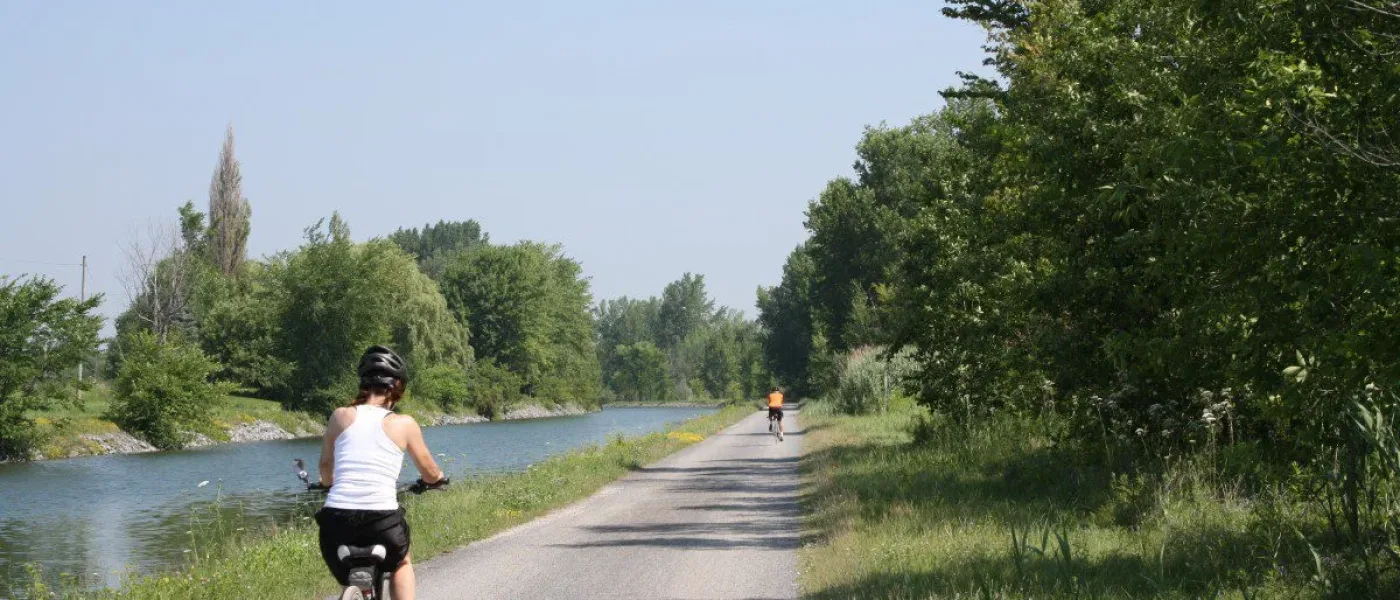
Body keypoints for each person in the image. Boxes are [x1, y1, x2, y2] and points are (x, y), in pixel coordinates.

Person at [314, 345, 448, 600]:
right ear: (396, 386)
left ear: (363, 384)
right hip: (382, 520)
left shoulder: (339, 416)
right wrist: (437, 480)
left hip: (336, 521)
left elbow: (325, 466)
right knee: (401, 562)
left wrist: (326, 484)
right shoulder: (403, 423)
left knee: (344, 567)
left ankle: (352, 591)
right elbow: (430, 472)